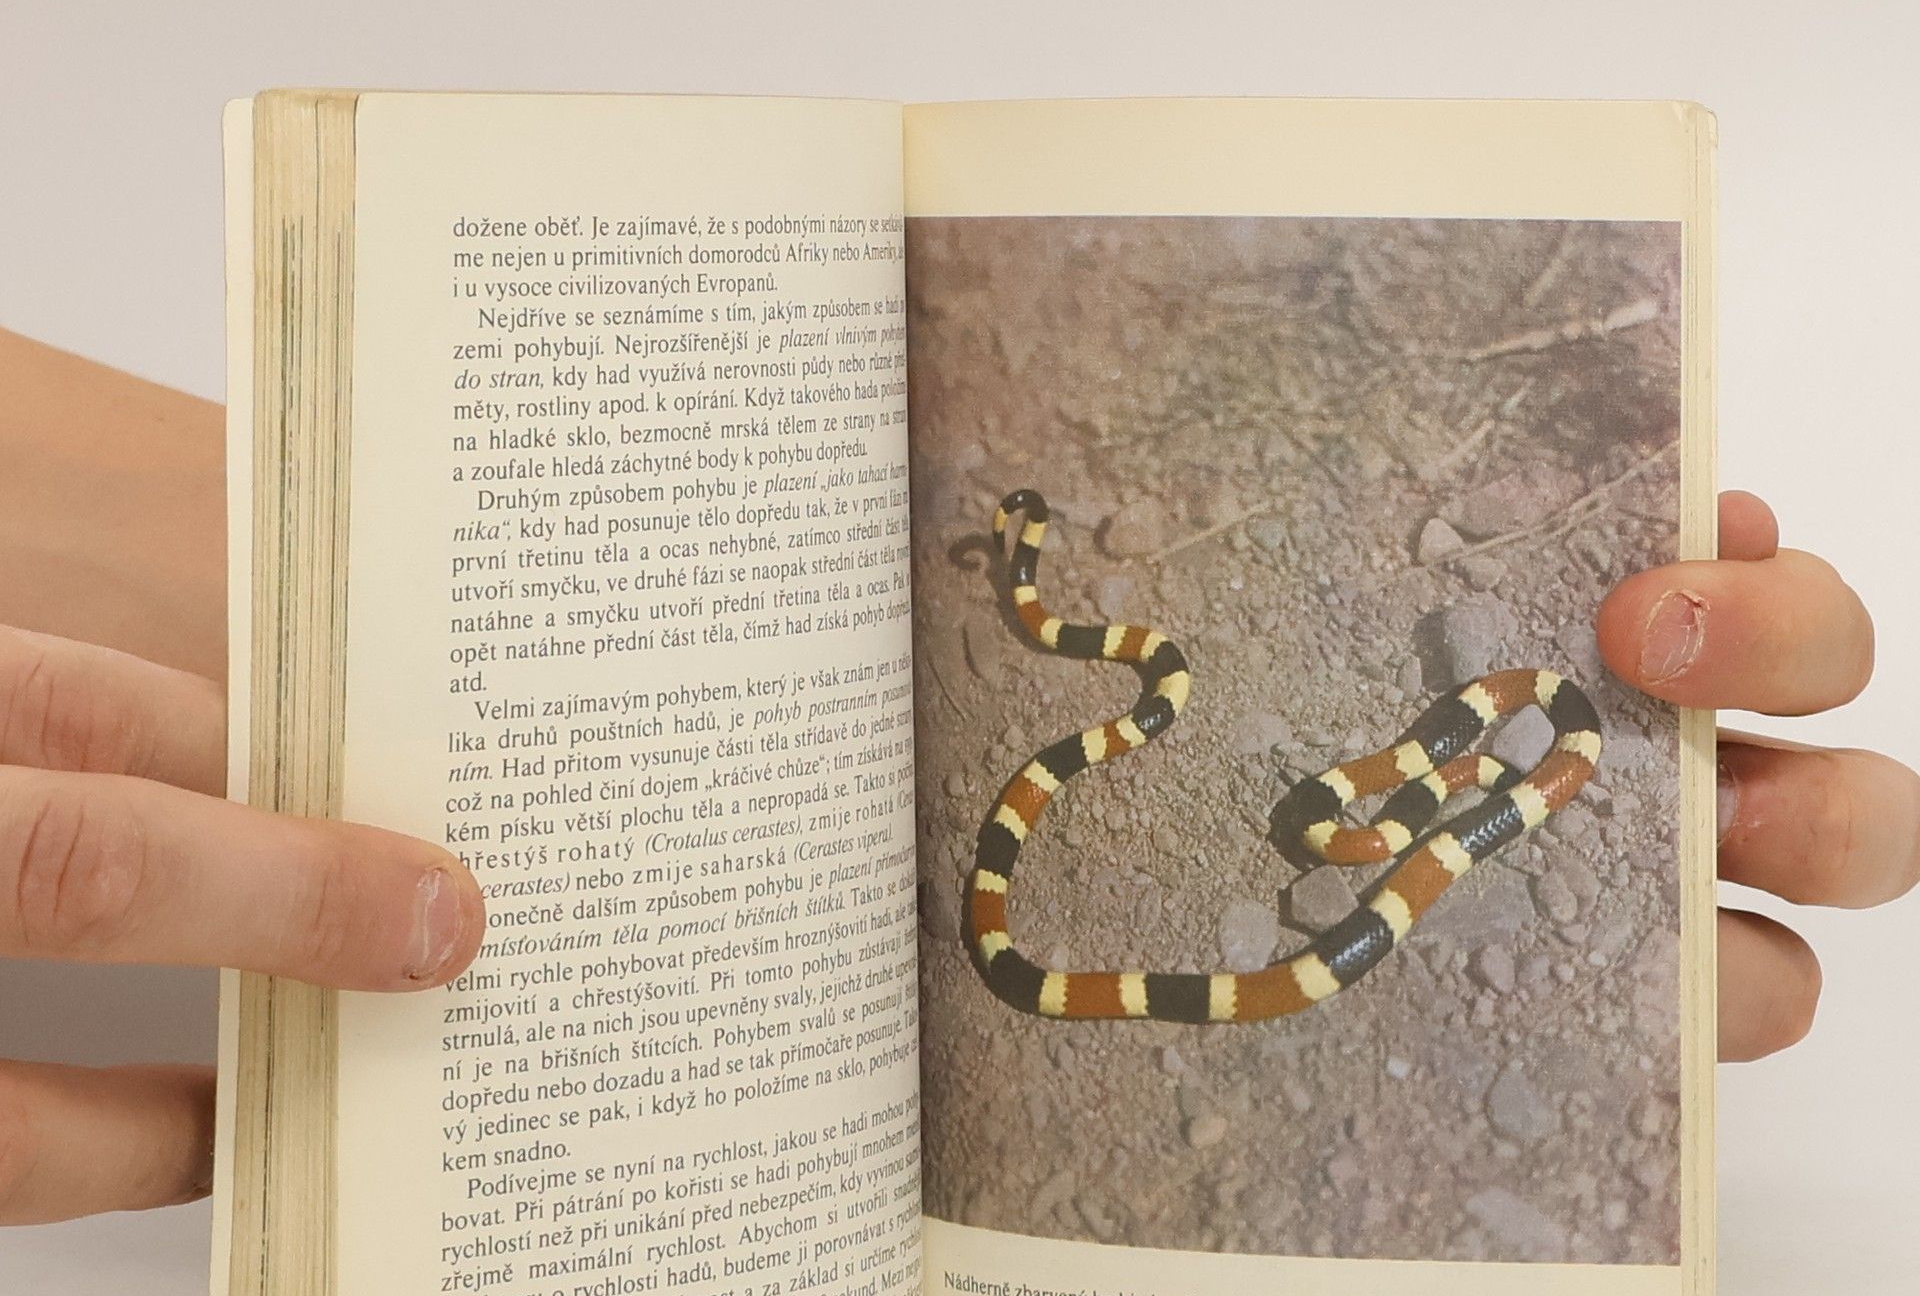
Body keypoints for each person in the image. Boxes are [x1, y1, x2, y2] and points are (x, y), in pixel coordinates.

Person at [1, 328, 1914, 1222]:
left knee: (1210, 777)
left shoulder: (1419, 753)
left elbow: (1367, 779)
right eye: (1020, 562)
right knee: (1174, 751)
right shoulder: (1256, 728)